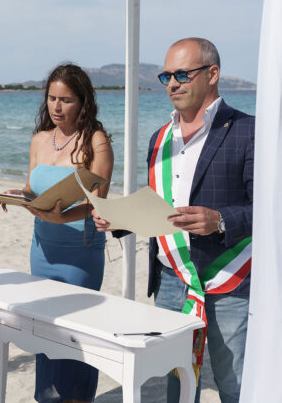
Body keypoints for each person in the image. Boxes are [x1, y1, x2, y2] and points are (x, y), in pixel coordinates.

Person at [93, 38, 254, 403]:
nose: (172, 83)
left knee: (234, 383)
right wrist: (117, 221)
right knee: (178, 380)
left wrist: (221, 220)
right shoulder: (159, 138)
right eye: (167, 75)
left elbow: (269, 210)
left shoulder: (247, 130)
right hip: (170, 277)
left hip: (226, 280)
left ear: (212, 74)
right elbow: (158, 208)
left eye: (182, 73)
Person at [0, 63, 113, 403]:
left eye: (65, 99)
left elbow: (99, 205)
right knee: (45, 330)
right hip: (42, 250)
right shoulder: (39, 139)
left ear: (83, 101)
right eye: (51, 98)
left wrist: (62, 219)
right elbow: (32, 187)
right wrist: (16, 197)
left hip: (79, 254)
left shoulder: (96, 141)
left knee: (75, 334)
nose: (56, 107)